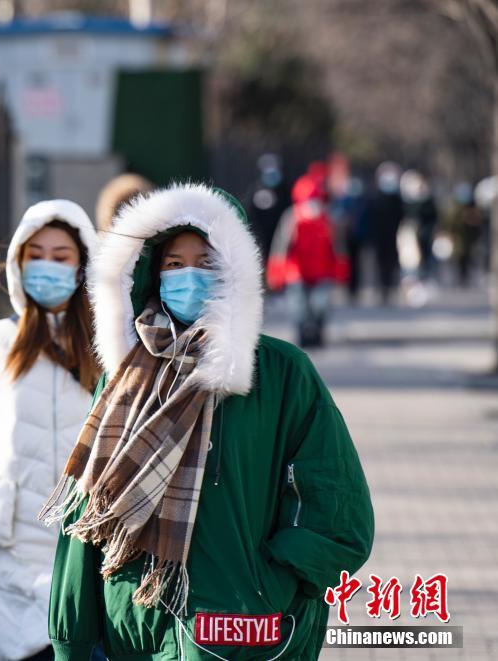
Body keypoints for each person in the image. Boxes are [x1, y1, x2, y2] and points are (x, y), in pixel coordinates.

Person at [41, 183, 374, 660]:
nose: (188, 277)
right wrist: (72, 636)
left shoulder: (282, 374)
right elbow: (86, 513)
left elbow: (340, 514)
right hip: (134, 632)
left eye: (206, 262)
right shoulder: (124, 378)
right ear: (150, 276)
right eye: (173, 265)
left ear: (233, 273)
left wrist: (269, 584)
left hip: (246, 635)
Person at [0, 199, 100, 661]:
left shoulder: (106, 343)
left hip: (89, 552)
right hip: (16, 553)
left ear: (82, 266)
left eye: (61, 256)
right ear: (18, 261)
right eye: (36, 254)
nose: (47, 267)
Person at [267, 170, 348, 347]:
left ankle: (318, 334)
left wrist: (341, 267)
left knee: (321, 306)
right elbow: (281, 245)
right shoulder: (292, 217)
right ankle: (302, 337)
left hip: (323, 271)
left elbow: (338, 246)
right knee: (299, 309)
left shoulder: (328, 219)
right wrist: (276, 270)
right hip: (296, 272)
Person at [368, 162, 404, 304]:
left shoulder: (396, 199)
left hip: (394, 237)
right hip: (379, 238)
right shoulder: (375, 198)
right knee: (380, 264)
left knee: (392, 264)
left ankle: (390, 288)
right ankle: (382, 289)